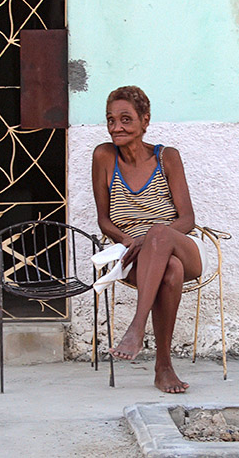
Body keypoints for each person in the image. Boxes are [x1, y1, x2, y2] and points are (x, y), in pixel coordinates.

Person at [91, 86, 209, 393]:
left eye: (126, 119)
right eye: (111, 119)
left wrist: (151, 237)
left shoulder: (167, 157)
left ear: (145, 121)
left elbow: (186, 220)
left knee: (160, 235)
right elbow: (104, 220)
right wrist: (135, 243)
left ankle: (136, 326)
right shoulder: (104, 157)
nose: (116, 127)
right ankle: (163, 367)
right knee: (170, 270)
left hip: (183, 246)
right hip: (136, 254)